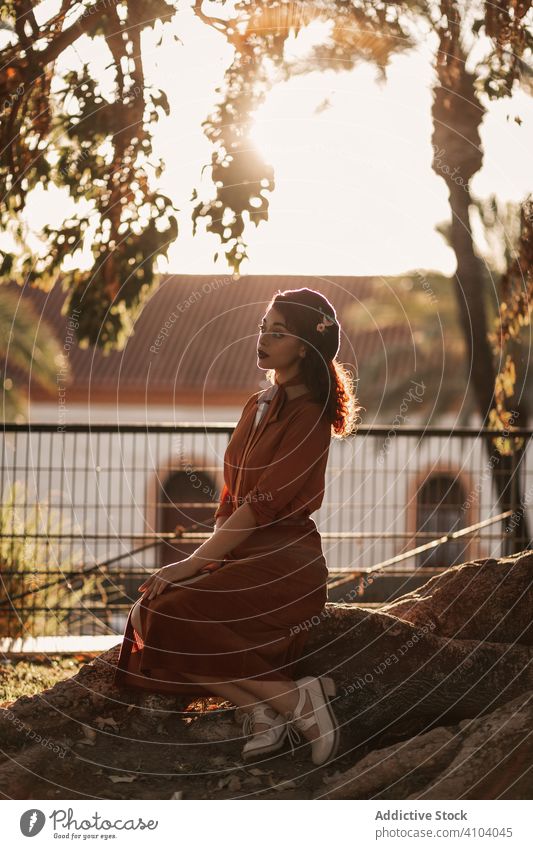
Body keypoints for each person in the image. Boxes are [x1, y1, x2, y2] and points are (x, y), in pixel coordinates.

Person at [113, 287, 361, 765]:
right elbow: (231, 501)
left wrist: (190, 563)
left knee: (171, 614)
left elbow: (260, 506)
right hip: (239, 555)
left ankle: (297, 700)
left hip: (283, 566)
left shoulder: (309, 416)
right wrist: (211, 562)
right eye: (263, 327)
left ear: (305, 347)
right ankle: (264, 708)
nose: (263, 338)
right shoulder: (258, 404)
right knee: (150, 609)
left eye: (279, 332)